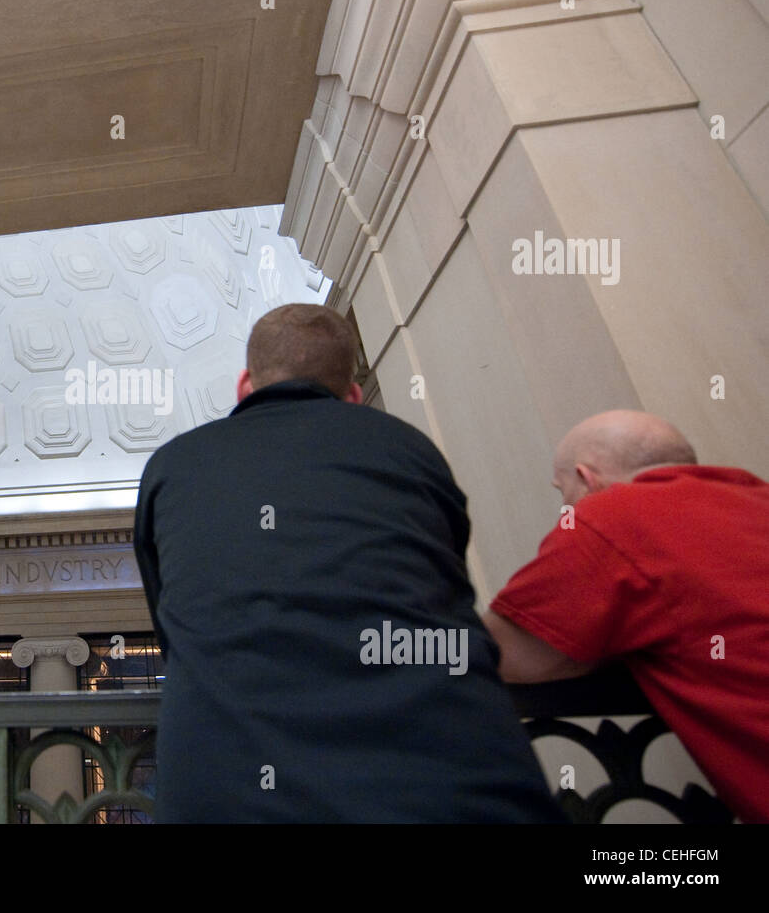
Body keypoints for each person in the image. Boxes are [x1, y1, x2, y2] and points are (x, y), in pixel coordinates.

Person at [133, 303, 562, 822]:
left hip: (228, 788)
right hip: (455, 777)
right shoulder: (409, 447)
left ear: (245, 383)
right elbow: (445, 575)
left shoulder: (174, 464)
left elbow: (172, 625)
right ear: (354, 396)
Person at [483, 410, 769, 823]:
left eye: (563, 493)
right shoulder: (754, 497)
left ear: (587, 478)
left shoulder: (614, 518)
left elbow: (505, 654)